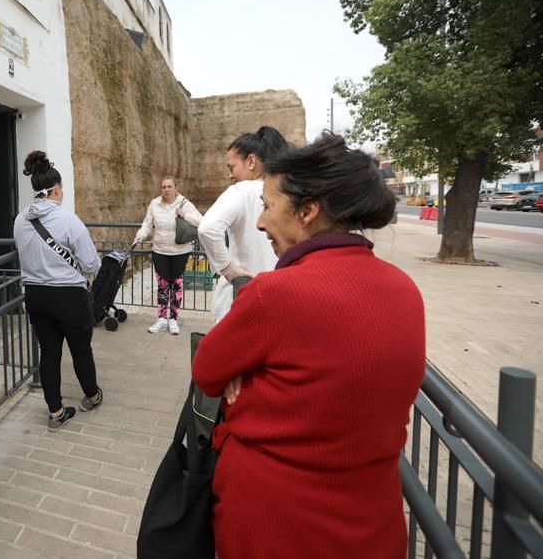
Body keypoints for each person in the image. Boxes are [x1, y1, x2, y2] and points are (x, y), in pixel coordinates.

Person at [191, 133, 426, 558]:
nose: (260, 222)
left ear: (308, 211)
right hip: (373, 521)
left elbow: (207, 371)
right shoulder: (405, 289)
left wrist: (244, 368)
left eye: (267, 206)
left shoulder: (272, 294)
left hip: (275, 522)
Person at [14, 150, 102, 431]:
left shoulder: (19, 220)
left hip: (35, 295)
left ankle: (56, 412)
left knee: (48, 353)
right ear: (55, 189)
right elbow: (90, 263)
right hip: (68, 296)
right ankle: (91, 394)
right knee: (80, 350)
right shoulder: (68, 220)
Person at [197, 126, 288, 321]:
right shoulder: (286, 192)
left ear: (251, 161)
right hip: (278, 301)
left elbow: (207, 228)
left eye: (232, 167)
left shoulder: (242, 191)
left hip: (240, 300)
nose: (230, 175)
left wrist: (229, 270)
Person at [132, 176, 204, 334]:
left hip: (180, 252)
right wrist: (140, 235)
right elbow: (147, 223)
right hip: (160, 251)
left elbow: (201, 221)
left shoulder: (185, 203)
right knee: (163, 285)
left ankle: (173, 320)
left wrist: (185, 215)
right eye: (163, 187)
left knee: (176, 285)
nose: (166, 189)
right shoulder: (154, 204)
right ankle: (162, 319)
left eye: (169, 186)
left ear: (176, 188)